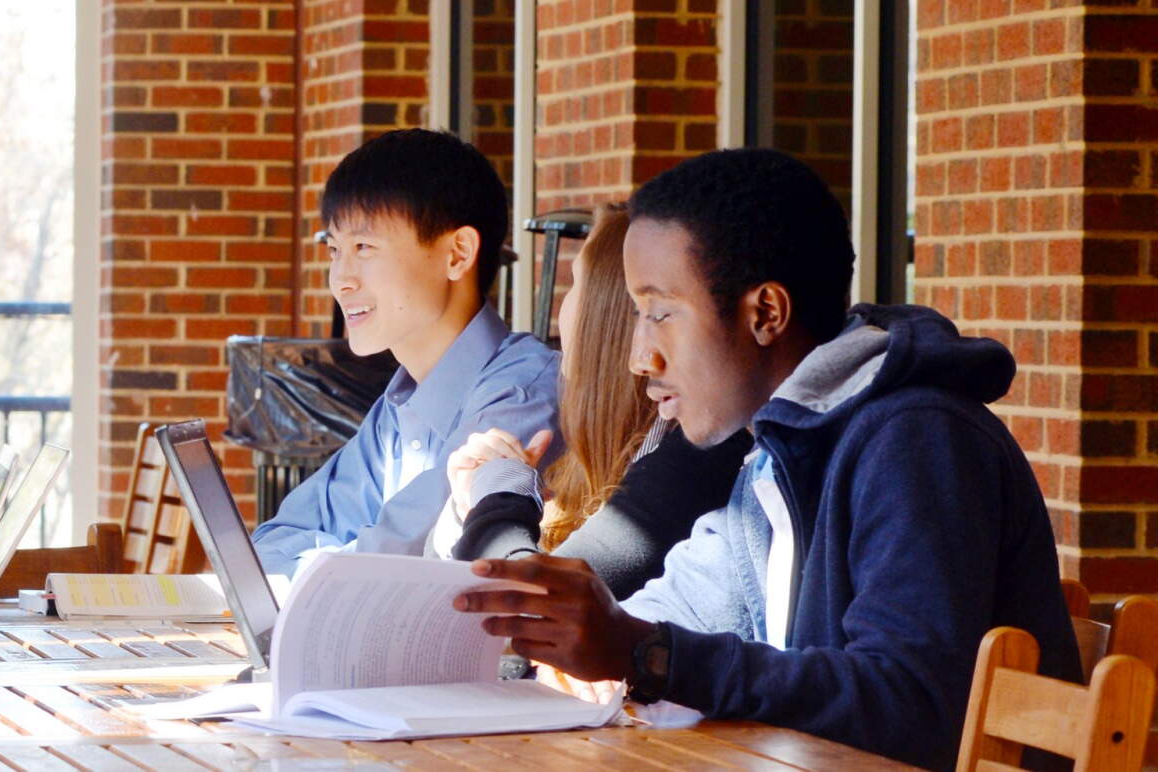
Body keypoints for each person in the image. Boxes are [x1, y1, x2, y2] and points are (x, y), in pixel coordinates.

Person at [451, 148, 1078, 768]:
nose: (641, 357)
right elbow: (672, 611)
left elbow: (913, 706)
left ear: (766, 314)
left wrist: (649, 656)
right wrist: (593, 641)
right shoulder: (781, 450)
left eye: (660, 314)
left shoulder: (917, 441)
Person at [249, 128, 561, 576]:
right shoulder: (399, 406)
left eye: (364, 247)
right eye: (335, 249)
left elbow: (395, 570)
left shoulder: (519, 397)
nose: (341, 279)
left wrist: (320, 563)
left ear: (457, 254)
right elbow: (273, 541)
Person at [435, 203, 753, 599]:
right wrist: (468, 508)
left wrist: (500, 489)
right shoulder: (614, 449)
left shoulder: (700, 454)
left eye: (573, 283)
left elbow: (532, 602)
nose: (559, 309)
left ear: (609, 314)